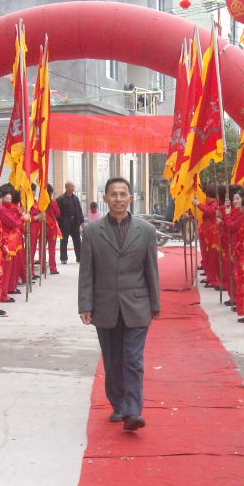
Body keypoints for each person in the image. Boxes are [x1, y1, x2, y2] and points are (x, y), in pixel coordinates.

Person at [78, 177, 161, 431]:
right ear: (105, 199)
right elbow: (87, 272)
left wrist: (155, 304)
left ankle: (134, 411)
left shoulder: (145, 231)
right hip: (105, 306)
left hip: (137, 305)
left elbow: (151, 270)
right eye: (113, 194)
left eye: (123, 194)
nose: (118, 198)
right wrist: (85, 305)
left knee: (133, 360)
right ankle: (119, 404)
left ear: (130, 198)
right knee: (113, 359)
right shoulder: (92, 232)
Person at [57, 181, 83, 263]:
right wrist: (62, 221)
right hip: (65, 223)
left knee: (77, 240)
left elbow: (79, 210)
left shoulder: (75, 198)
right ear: (67, 188)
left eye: (73, 187)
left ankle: (79, 258)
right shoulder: (60, 199)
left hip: (75, 222)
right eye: (72, 187)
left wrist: (81, 221)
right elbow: (57, 213)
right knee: (64, 241)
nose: (73, 189)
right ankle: (63, 259)